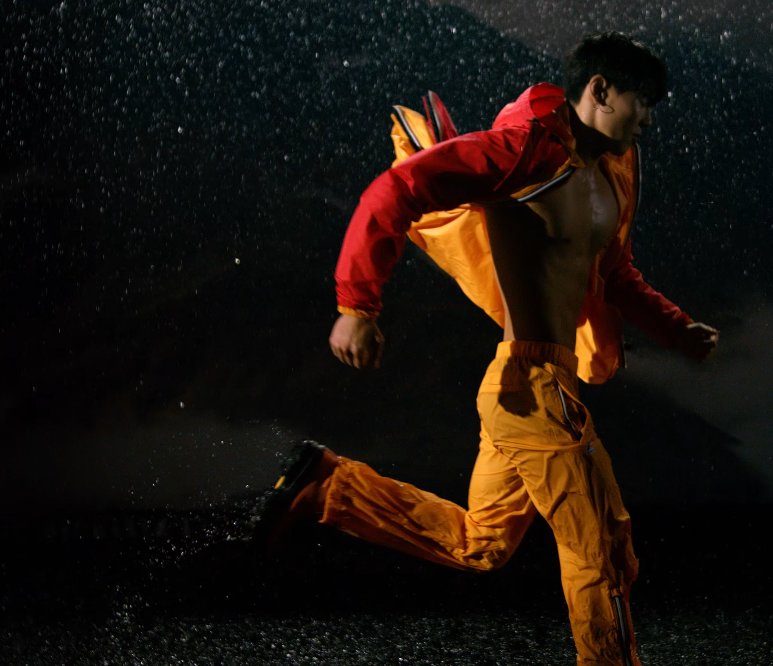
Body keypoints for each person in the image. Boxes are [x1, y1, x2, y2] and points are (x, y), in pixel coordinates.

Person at [256, 33, 718, 666]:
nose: (648, 119)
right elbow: (396, 190)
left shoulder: (612, 173)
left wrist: (677, 328)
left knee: (482, 544)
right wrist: (356, 307)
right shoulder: (524, 151)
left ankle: (327, 486)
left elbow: (613, 274)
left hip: (531, 388)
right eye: (642, 102)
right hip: (531, 388)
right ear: (600, 90)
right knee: (600, 547)